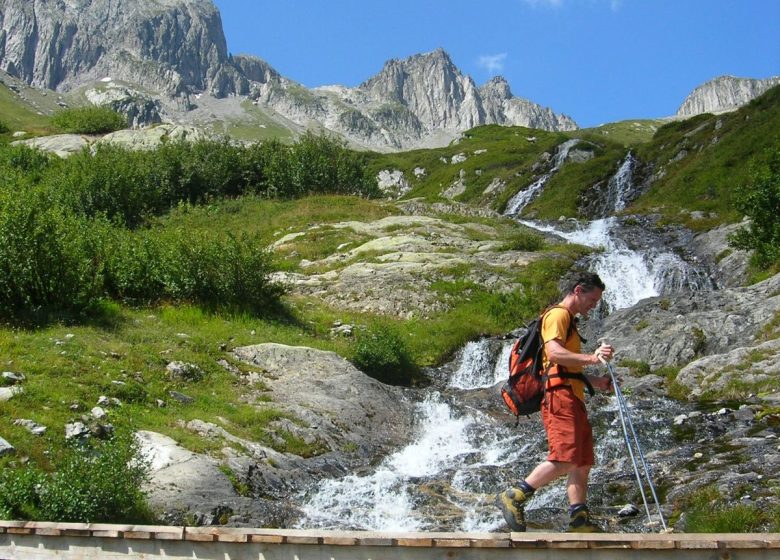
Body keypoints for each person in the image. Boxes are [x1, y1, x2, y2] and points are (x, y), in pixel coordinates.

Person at [495, 272, 615, 533]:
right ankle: (515, 495)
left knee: (582, 461)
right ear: (578, 290)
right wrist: (593, 358)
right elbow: (555, 354)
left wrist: (598, 382)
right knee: (566, 457)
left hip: (572, 394)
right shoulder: (558, 315)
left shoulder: (570, 320)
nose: (593, 305)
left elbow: (566, 367)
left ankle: (579, 520)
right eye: (592, 299)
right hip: (559, 396)